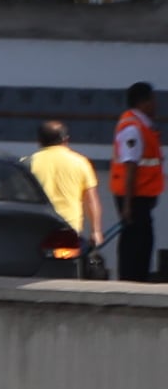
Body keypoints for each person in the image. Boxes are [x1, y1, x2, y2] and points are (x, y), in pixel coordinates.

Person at [29, 118, 103, 275]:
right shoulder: (81, 162)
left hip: (37, 230)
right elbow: (92, 200)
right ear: (66, 140)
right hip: (68, 232)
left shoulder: (28, 163)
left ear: (39, 141)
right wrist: (96, 231)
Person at [113, 85, 162, 282]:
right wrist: (127, 205)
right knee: (136, 243)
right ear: (143, 102)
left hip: (138, 197)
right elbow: (130, 165)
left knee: (140, 241)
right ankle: (131, 280)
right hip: (134, 198)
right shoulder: (133, 128)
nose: (155, 105)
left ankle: (134, 278)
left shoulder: (141, 125)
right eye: (152, 100)